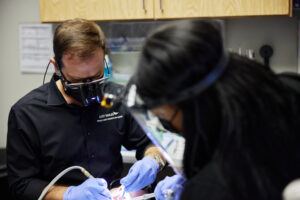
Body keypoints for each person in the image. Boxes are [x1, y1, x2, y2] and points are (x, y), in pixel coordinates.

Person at [126, 19, 300, 200]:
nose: (173, 127)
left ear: (193, 103)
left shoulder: (216, 184)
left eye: (165, 116)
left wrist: (197, 189)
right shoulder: (289, 88)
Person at [6, 18, 165, 200]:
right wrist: (68, 194)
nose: (89, 88)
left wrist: (153, 161)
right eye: (77, 81)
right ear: (56, 67)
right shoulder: (26, 113)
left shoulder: (116, 98)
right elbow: (21, 184)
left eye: (96, 77)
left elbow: (152, 141)